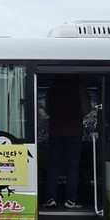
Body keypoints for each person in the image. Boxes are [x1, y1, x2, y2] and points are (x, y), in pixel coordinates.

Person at [43, 78, 91, 209]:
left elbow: (47, 110)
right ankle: (71, 200)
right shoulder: (79, 88)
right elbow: (86, 108)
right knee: (73, 166)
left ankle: (50, 198)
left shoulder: (52, 87)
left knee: (53, 165)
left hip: (55, 130)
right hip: (74, 131)